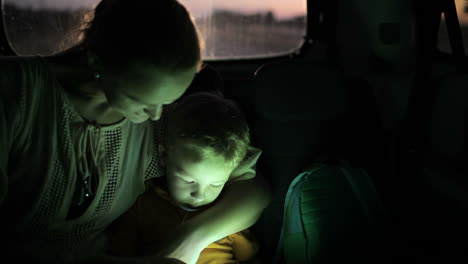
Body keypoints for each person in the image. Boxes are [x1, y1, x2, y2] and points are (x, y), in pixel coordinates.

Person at [0, 0, 271, 263]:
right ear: (97, 61)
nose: (154, 115)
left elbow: (252, 189)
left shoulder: (162, 124)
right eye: (141, 100)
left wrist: (190, 237)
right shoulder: (15, 95)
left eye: (165, 102)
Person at [106, 92, 262, 264]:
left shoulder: (228, 217)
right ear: (164, 156)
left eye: (216, 185)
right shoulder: (142, 206)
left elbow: (250, 258)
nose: (199, 195)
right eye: (188, 181)